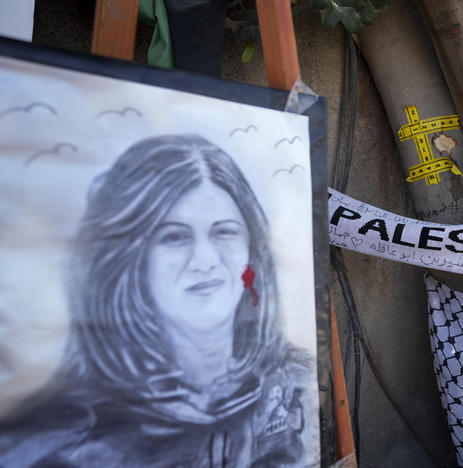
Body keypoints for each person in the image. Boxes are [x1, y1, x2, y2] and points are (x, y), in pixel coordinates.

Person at [0, 134, 313, 467]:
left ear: (254, 248)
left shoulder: (299, 385)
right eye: (174, 236)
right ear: (130, 261)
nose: (205, 260)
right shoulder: (65, 443)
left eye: (224, 232)